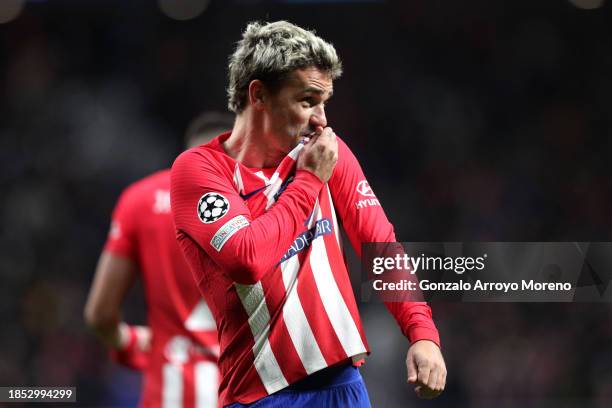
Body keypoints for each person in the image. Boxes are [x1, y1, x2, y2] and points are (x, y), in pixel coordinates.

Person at [170, 21, 446, 407]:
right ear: (259, 95)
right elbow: (246, 259)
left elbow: (380, 244)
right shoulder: (200, 169)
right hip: (260, 395)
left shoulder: (326, 151)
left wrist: (422, 332)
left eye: (325, 102)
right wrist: (309, 181)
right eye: (307, 101)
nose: (322, 119)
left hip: (341, 386)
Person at [84, 111, 235, 407]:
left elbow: (99, 314)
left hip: (167, 393)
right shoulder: (260, 201)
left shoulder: (140, 199)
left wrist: (129, 342)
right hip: (239, 394)